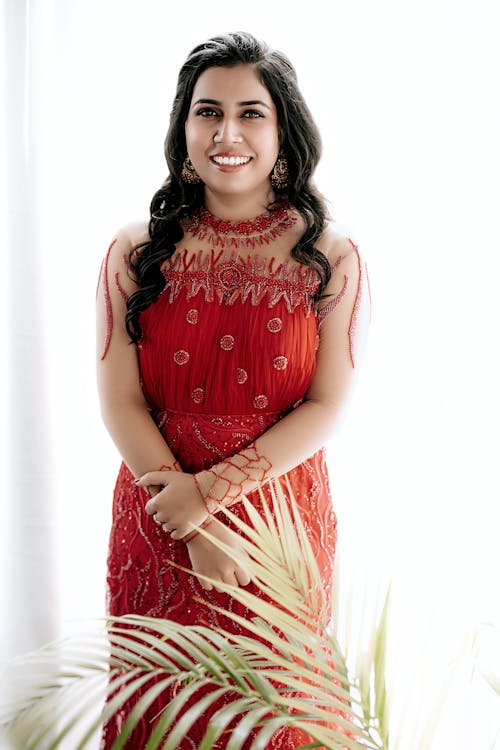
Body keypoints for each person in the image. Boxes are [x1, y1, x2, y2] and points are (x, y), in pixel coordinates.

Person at [96, 31, 370, 749]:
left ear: (284, 130)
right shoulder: (133, 251)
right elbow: (120, 401)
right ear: (182, 127)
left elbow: (328, 406)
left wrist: (211, 500)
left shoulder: (331, 256)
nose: (226, 133)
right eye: (206, 111)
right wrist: (192, 523)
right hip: (157, 514)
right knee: (163, 717)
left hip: (276, 523)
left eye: (251, 113)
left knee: (274, 718)